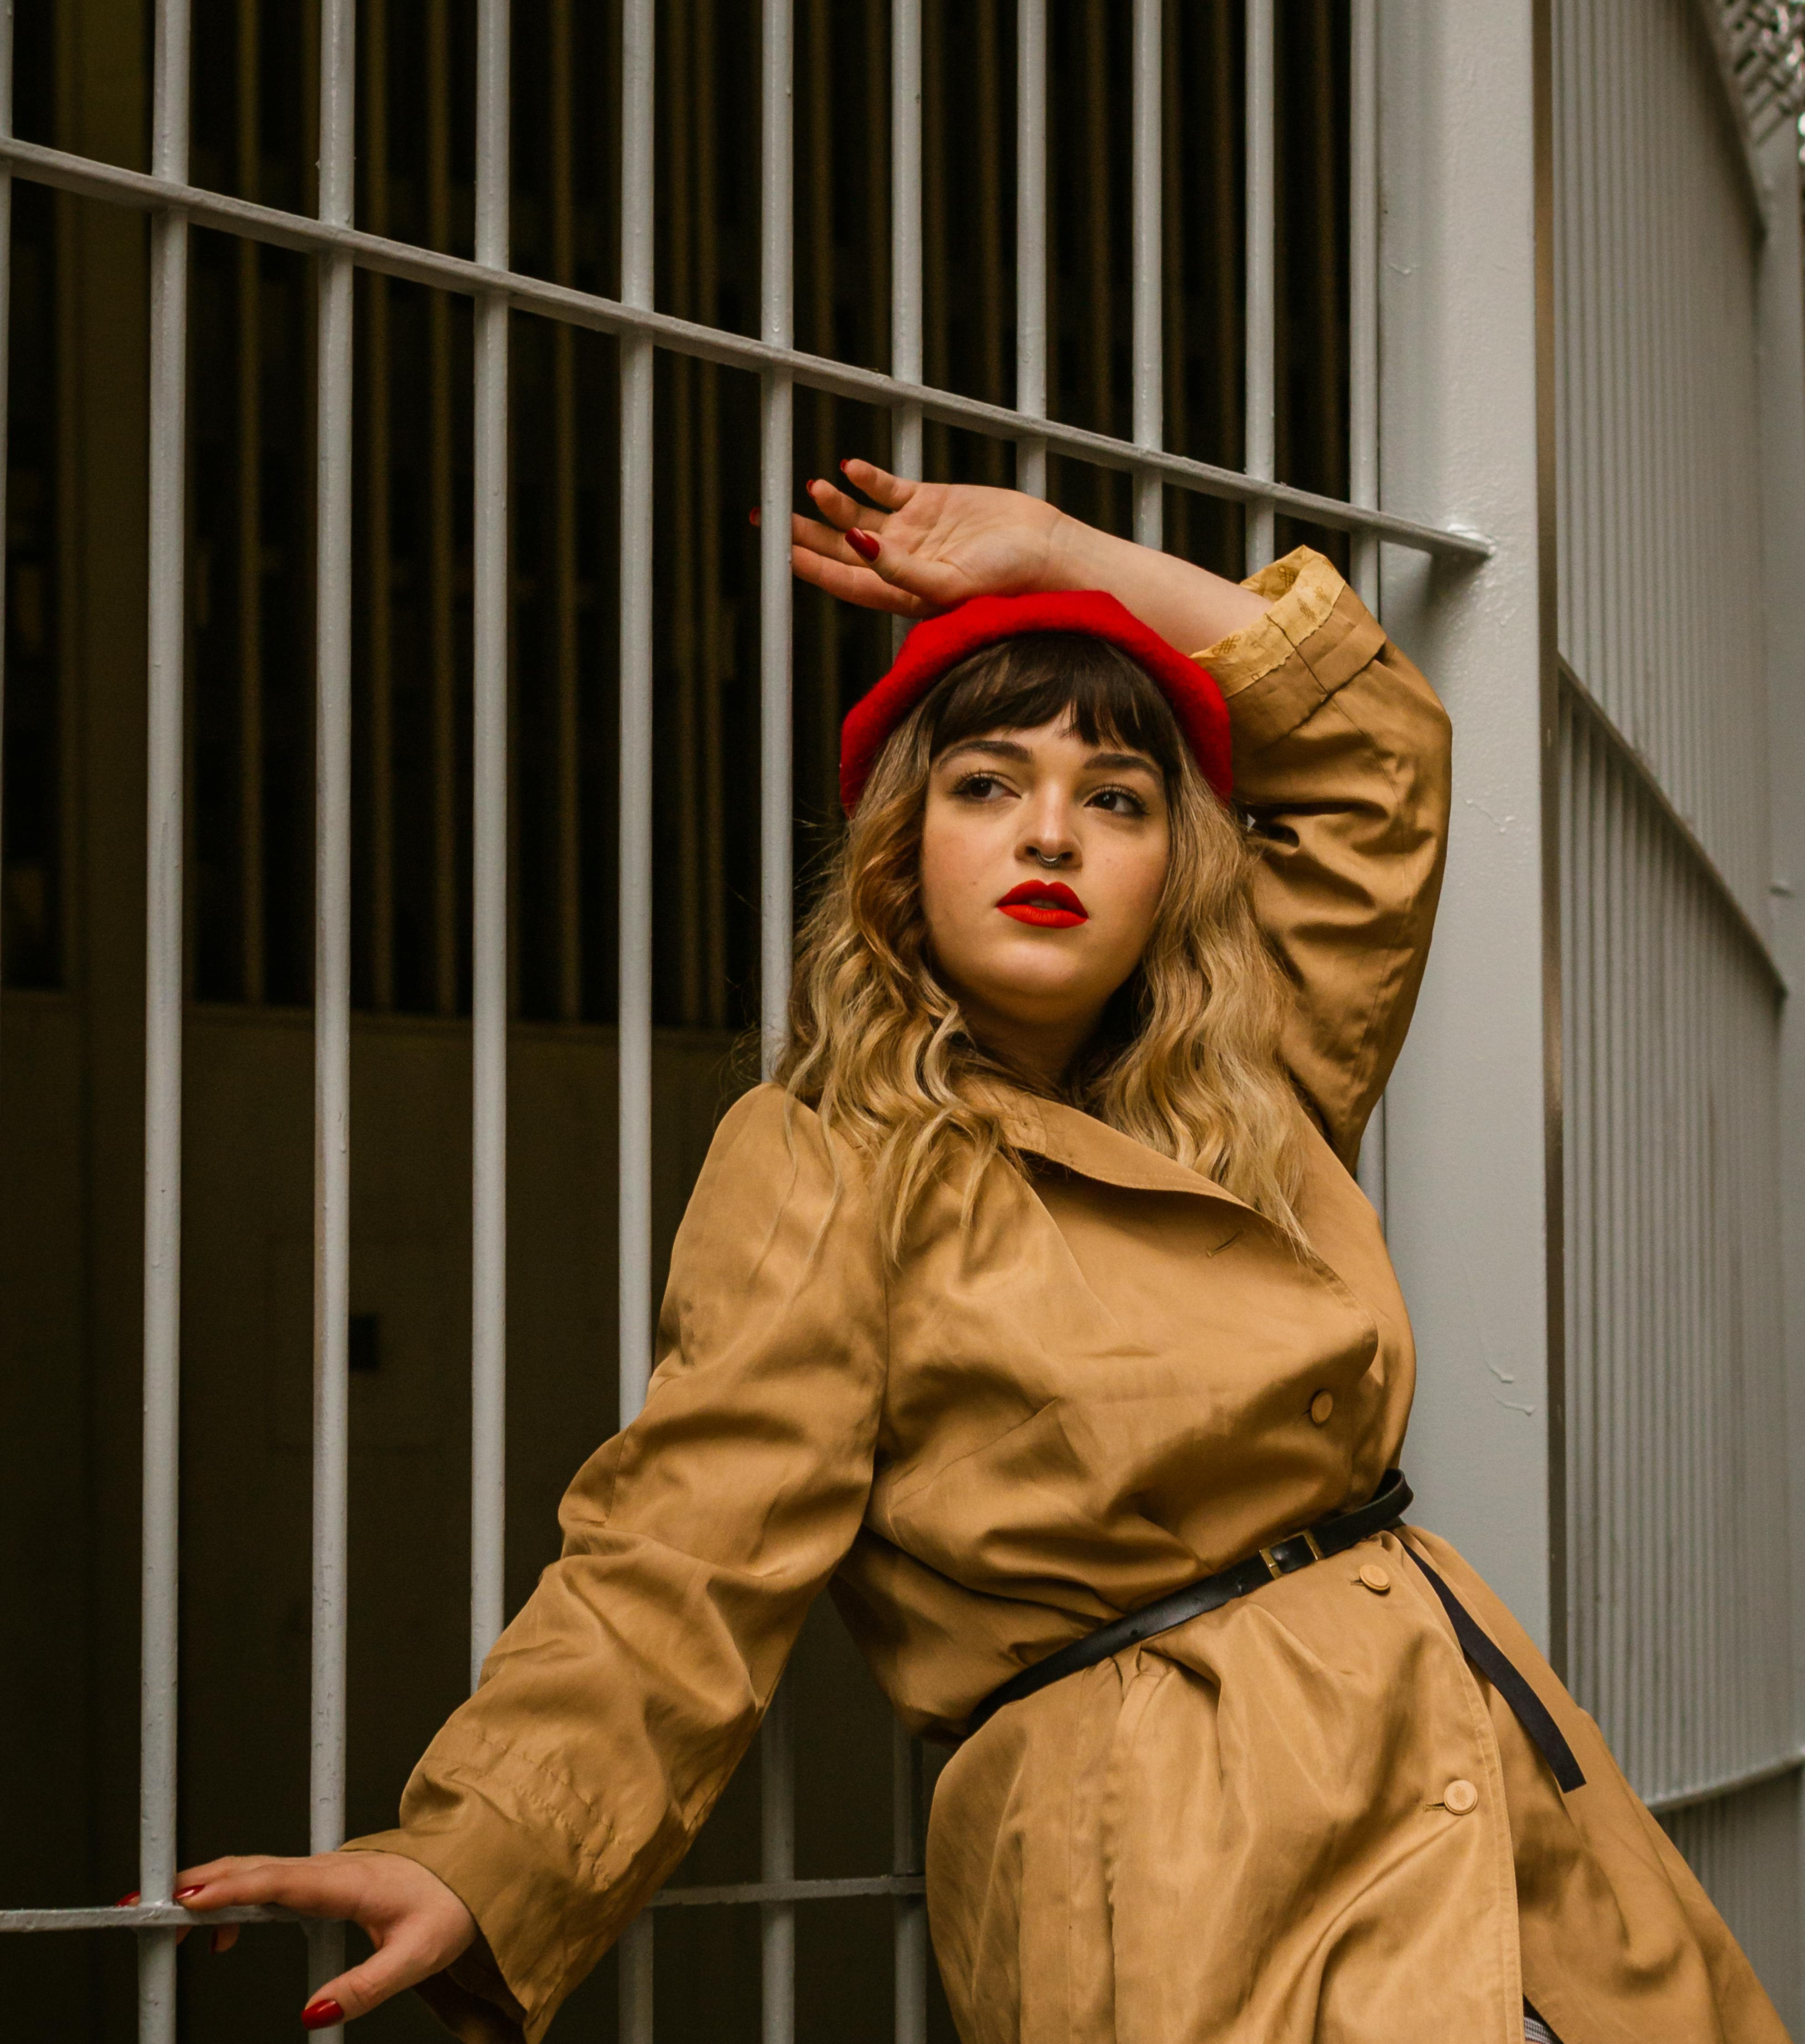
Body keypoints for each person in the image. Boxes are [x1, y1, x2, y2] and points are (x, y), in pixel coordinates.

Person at [169, 465, 1786, 2044]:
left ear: (1179, 870)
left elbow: (1372, 751)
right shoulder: (827, 1158)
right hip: (1171, 1832)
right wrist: (481, 1847)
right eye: (988, 784)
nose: (1054, 836)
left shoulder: (1261, 1072)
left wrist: (1064, 554)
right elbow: (683, 1554)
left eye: (1120, 798)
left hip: (1474, 1752)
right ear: (901, 849)